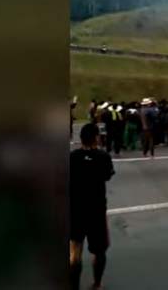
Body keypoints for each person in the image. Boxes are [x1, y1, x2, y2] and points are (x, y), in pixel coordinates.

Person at [69, 124, 115, 290]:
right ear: (96, 137)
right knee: (99, 250)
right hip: (96, 210)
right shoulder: (103, 156)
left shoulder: (72, 156)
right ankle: (97, 284)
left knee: (74, 252)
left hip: (75, 209)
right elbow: (108, 176)